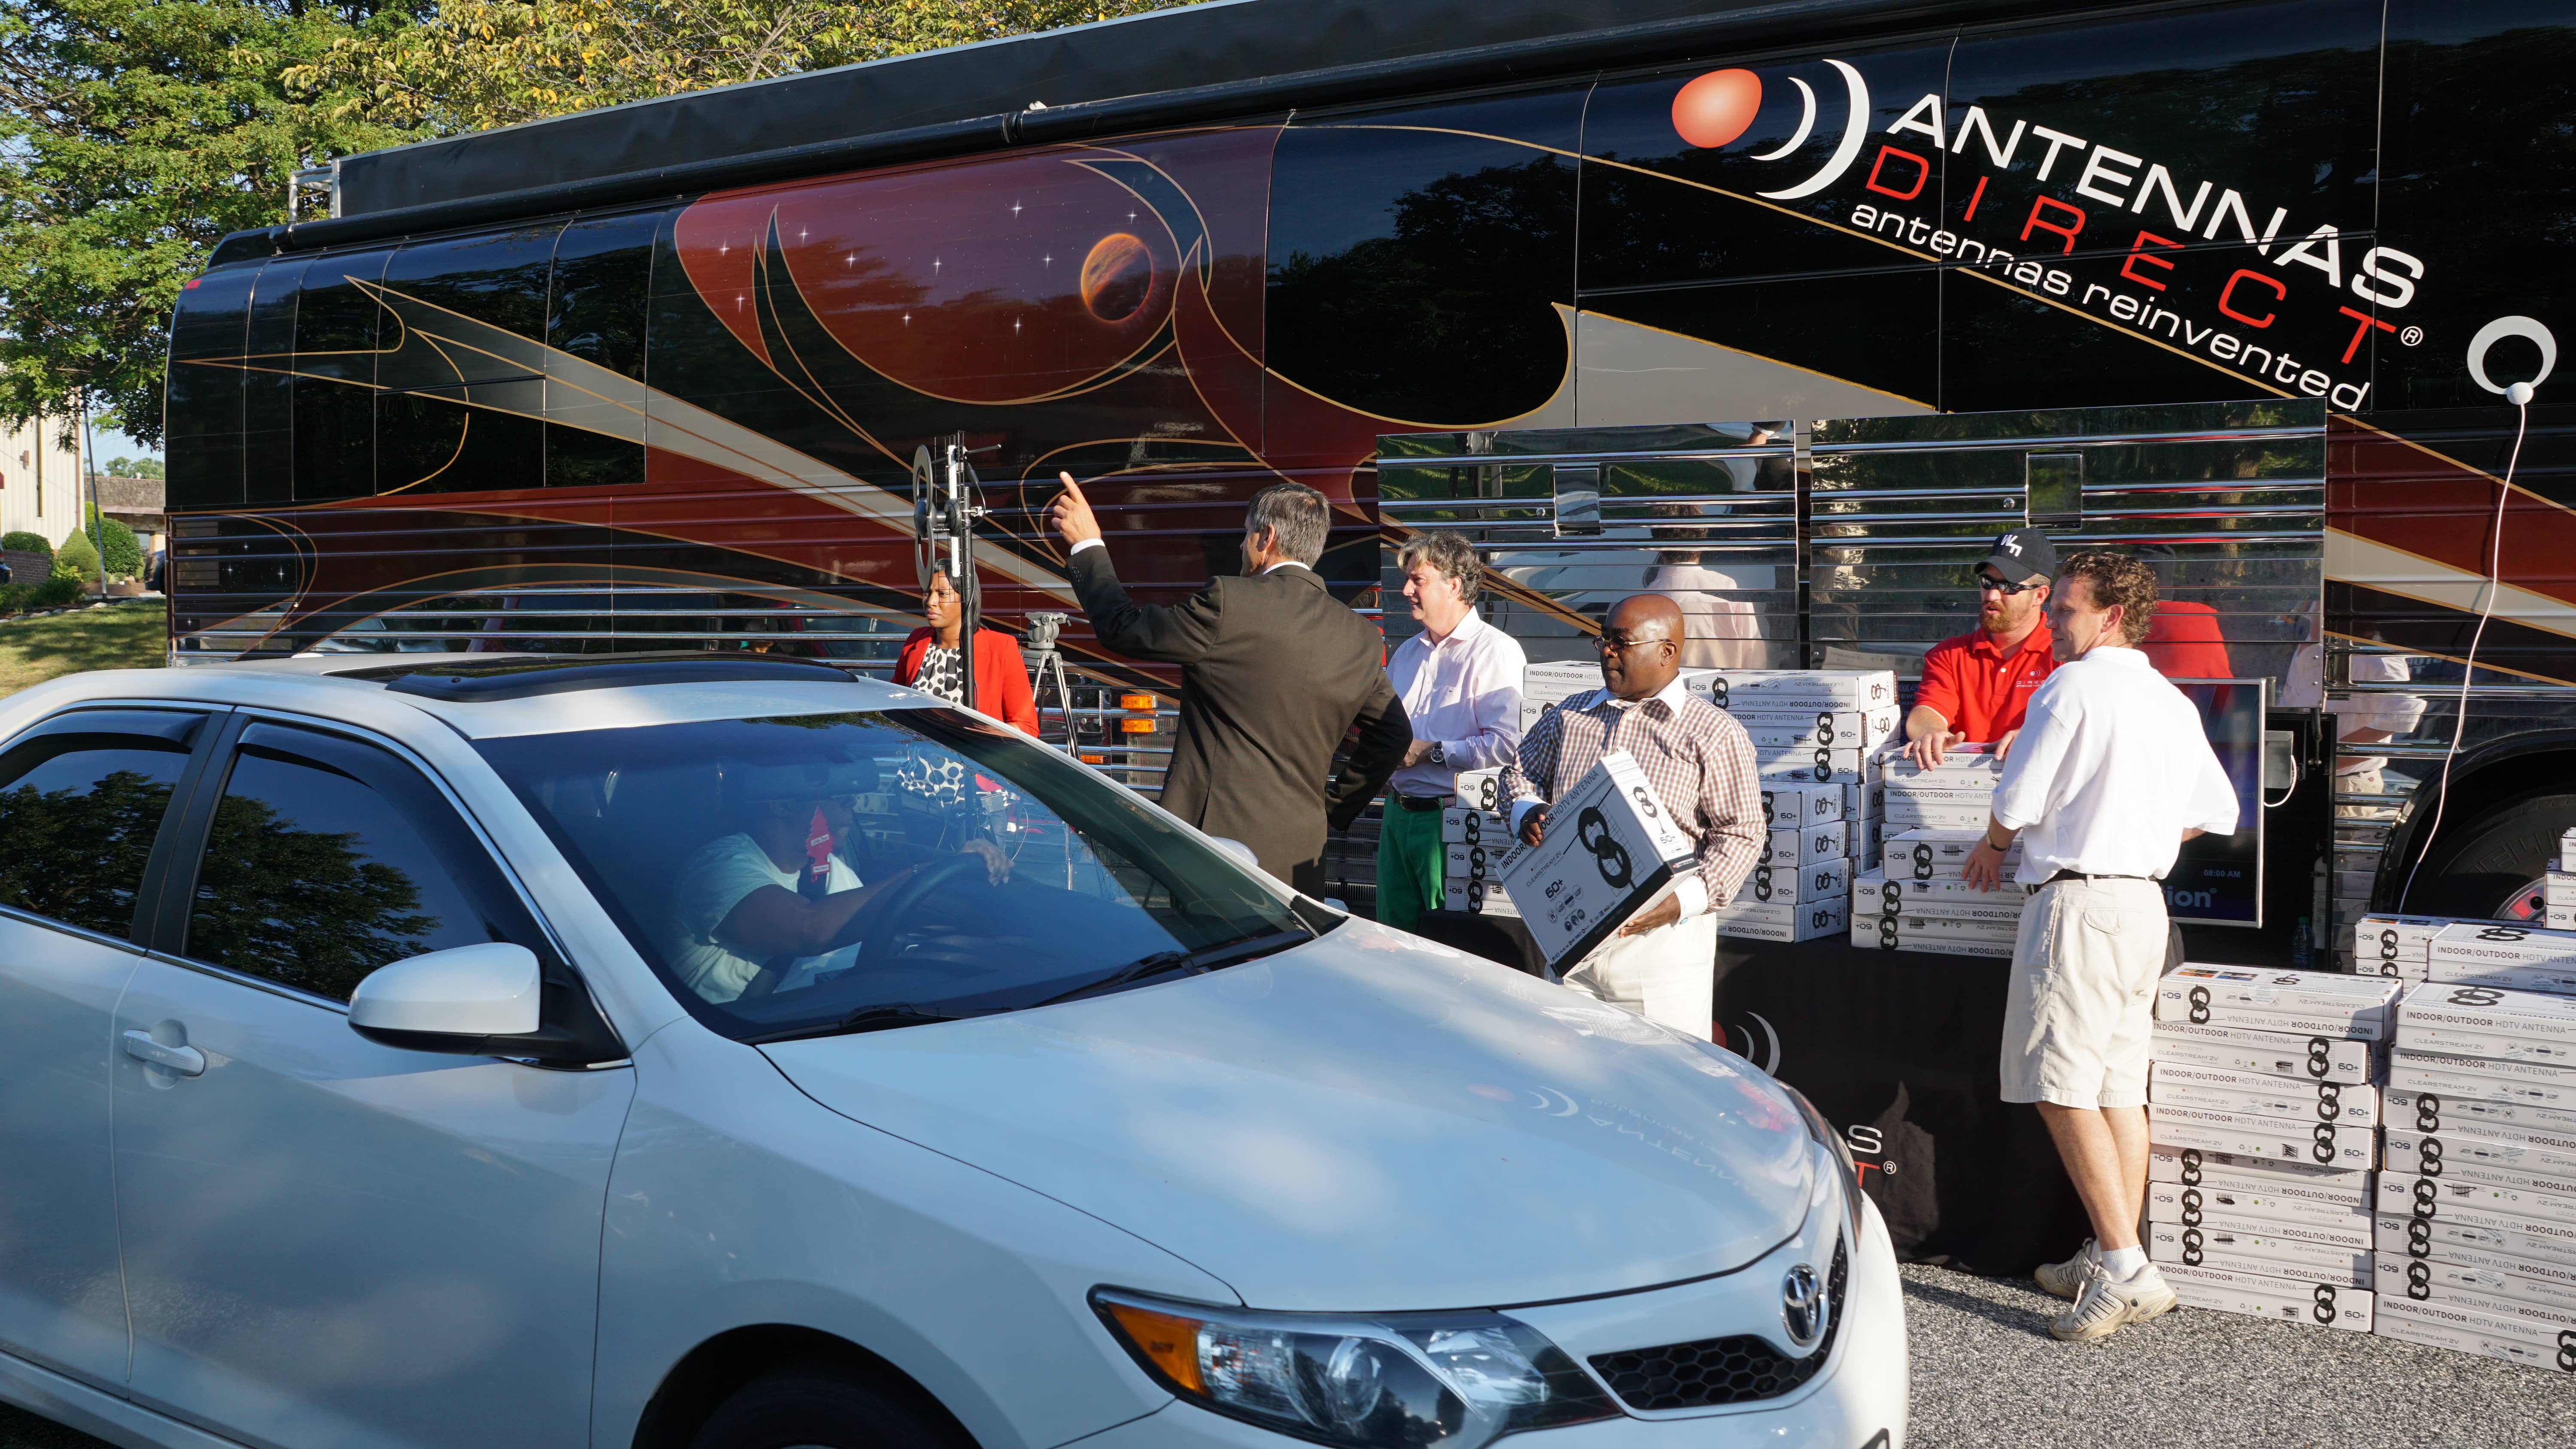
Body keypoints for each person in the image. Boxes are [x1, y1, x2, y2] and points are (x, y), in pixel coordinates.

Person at [1959, 551, 2240, 1343]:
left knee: (2061, 1083)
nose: (2054, 621)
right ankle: (2115, 1252)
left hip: (2079, 901)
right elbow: (2213, 810)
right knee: (2117, 1084)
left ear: (2111, 615)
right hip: (2143, 903)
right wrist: (2133, 827)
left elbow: (2018, 797)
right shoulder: (2169, 700)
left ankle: (2123, 1264)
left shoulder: (2071, 686)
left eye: (2068, 610)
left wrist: (1992, 844)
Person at [1048, 472, 1410, 893]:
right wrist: (1331, 809)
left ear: (1266, 536)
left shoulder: (1230, 601)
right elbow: (1394, 733)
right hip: (1301, 856)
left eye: (1245, 533)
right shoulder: (1360, 635)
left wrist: (1087, 543)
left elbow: (1123, 629)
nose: (1241, 544)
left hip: (1214, 851)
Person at [1502, 594, 1763, 1039]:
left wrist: (1680, 903)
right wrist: (1527, 810)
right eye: (1603, 640)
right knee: (1571, 1078)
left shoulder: (1713, 733)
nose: (1607, 651)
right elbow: (1519, 773)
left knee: (1663, 1087)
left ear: (1667, 651)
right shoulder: (1571, 715)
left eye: (1620, 642)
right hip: (1572, 936)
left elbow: (1741, 834)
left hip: (1661, 946)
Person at [665, 759, 1010, 1003]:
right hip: (737, 1043)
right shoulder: (719, 866)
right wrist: (925, 870)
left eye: (854, 801)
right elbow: (806, 930)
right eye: (842, 801)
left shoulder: (831, 871)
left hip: (827, 1024)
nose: (851, 813)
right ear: (782, 806)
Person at [1380, 532, 1525, 931]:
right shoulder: (1408, 652)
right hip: (1397, 814)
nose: (1406, 589)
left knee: (1442, 943)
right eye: (1408, 579)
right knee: (1391, 940)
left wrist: (1432, 751)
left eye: (1418, 580)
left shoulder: (1495, 650)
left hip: (1449, 823)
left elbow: (1508, 746)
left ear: (1454, 585)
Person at [1905, 528, 2056, 769]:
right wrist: (1932, 732)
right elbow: (1927, 710)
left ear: (2040, 596)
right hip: (1963, 794)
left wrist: (2039, 739)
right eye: (1988, 582)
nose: (1993, 595)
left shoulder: (2066, 655)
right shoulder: (1949, 654)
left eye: (2008, 586)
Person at [894, 568, 1041, 736]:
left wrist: (982, 734)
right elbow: (894, 704)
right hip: (918, 758)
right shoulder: (917, 640)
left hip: (972, 759)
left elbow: (1027, 727)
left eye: (942, 594)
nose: (931, 602)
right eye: (927, 593)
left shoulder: (1000, 646)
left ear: (967, 598)